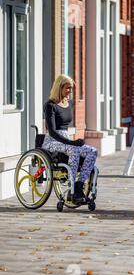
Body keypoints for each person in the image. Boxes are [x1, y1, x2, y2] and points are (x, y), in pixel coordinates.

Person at [41, 74, 98, 204]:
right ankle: (71, 190)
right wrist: (72, 142)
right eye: (67, 88)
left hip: (66, 139)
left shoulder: (68, 104)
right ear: (59, 87)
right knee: (75, 149)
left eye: (71, 88)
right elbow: (53, 132)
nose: (70, 91)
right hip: (52, 141)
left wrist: (73, 142)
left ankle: (78, 185)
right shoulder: (50, 105)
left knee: (93, 151)